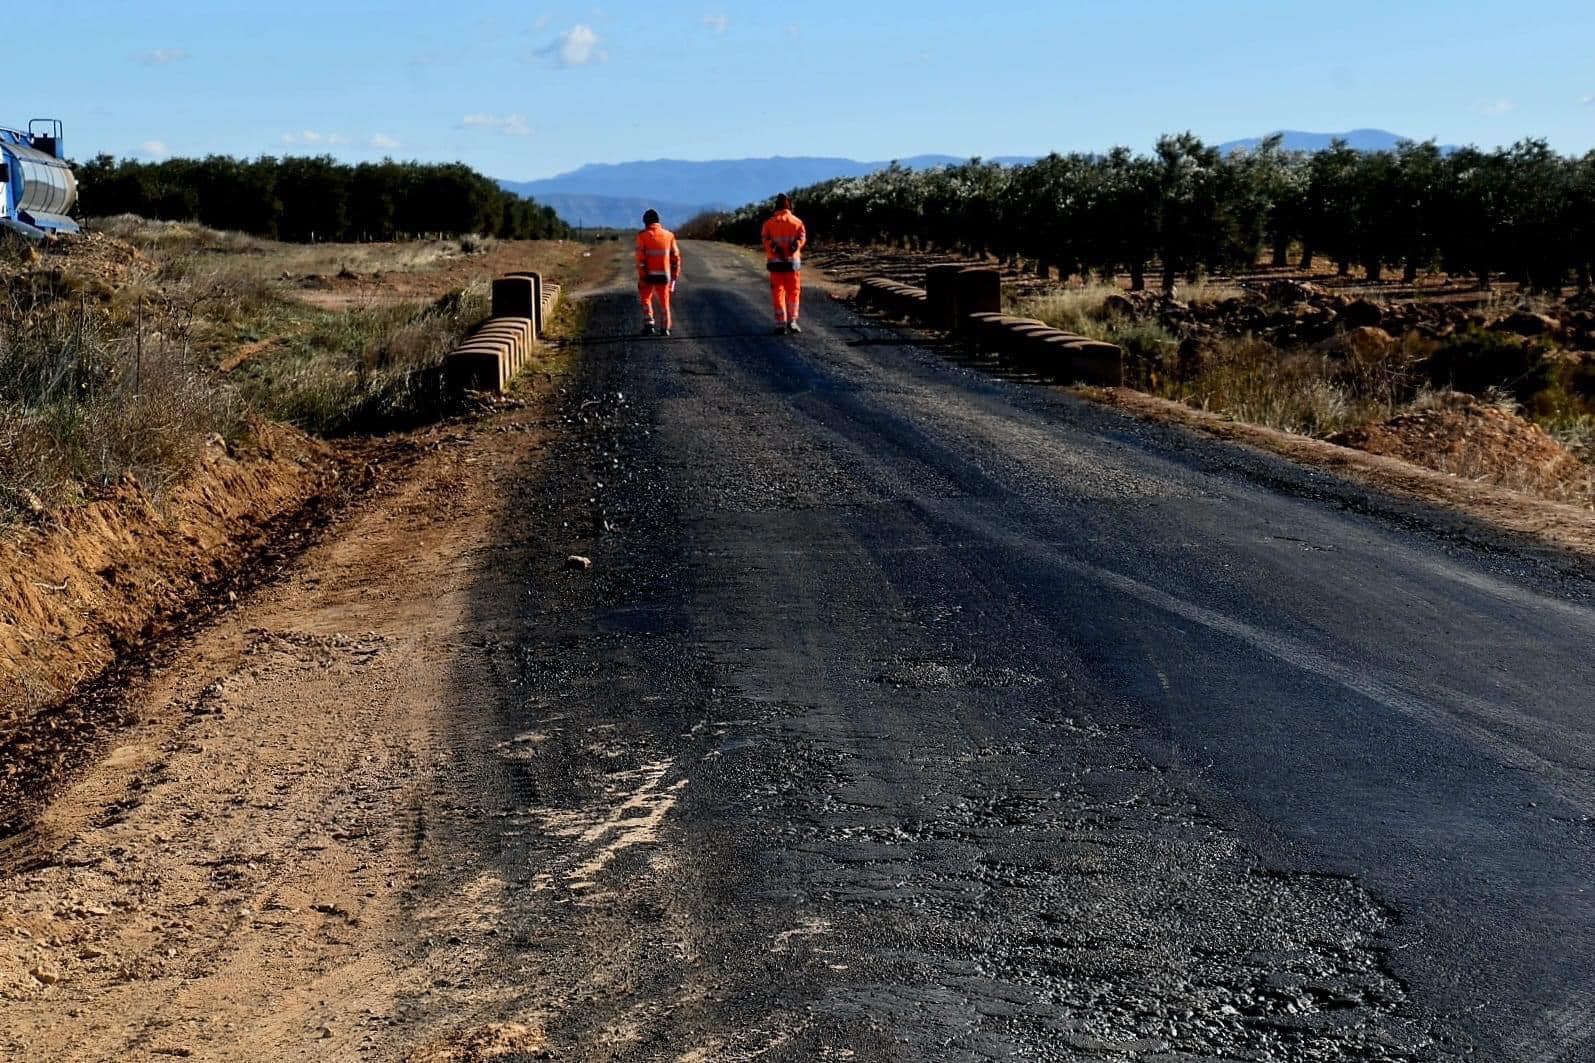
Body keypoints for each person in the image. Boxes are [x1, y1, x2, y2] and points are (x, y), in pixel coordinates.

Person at [761, 193, 807, 334]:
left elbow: (765, 239)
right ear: (790, 205)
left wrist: (775, 248)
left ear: (776, 206)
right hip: (793, 264)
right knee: (794, 292)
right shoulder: (797, 222)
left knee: (778, 292)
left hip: (776, 264)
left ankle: (780, 323)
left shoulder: (769, 223)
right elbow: (802, 238)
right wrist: (795, 246)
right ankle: (792, 321)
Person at [635, 208, 682, 336]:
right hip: (664, 275)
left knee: (645, 298)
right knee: (664, 301)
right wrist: (673, 277)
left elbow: (640, 259)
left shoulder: (642, 236)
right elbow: (676, 258)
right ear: (658, 221)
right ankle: (665, 328)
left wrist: (642, 276)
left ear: (645, 222)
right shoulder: (669, 236)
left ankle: (649, 324)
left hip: (648, 275)